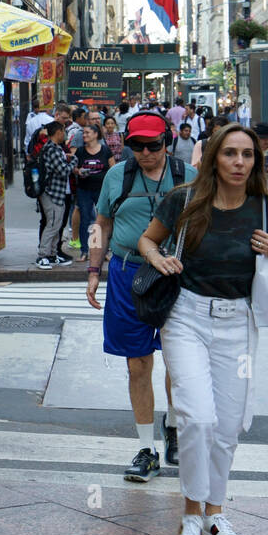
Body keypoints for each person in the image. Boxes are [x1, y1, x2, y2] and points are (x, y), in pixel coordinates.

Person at [138, 124, 268, 535]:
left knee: (227, 427)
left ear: (257, 161)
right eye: (230, 154)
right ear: (214, 158)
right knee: (197, 419)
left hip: (239, 322)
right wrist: (158, 258)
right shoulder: (184, 200)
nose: (239, 162)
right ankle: (190, 515)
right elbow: (147, 241)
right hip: (187, 317)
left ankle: (215, 514)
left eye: (247, 155)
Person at [86, 112, 194, 482]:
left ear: (166, 141)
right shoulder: (117, 176)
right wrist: (93, 270)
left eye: (154, 145)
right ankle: (147, 448)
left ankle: (175, 425)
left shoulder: (187, 177)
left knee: (178, 362)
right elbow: (101, 224)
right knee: (138, 364)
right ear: (128, 144)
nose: (147, 153)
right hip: (128, 274)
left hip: (178, 275)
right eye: (138, 146)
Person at [37, 121, 76, 269]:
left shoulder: (56, 148)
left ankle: (52, 254)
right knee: (52, 224)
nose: (65, 134)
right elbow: (63, 170)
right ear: (58, 132)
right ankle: (42, 256)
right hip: (51, 192)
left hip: (57, 193)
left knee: (57, 224)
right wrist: (74, 160)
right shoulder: (52, 149)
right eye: (63, 131)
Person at [75, 123, 115, 262]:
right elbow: (74, 167)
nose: (84, 135)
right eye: (84, 133)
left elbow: (113, 169)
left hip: (102, 190)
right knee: (85, 220)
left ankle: (104, 251)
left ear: (96, 134)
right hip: (84, 189)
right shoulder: (80, 151)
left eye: (87, 132)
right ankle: (85, 251)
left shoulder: (105, 151)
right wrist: (78, 171)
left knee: (103, 220)